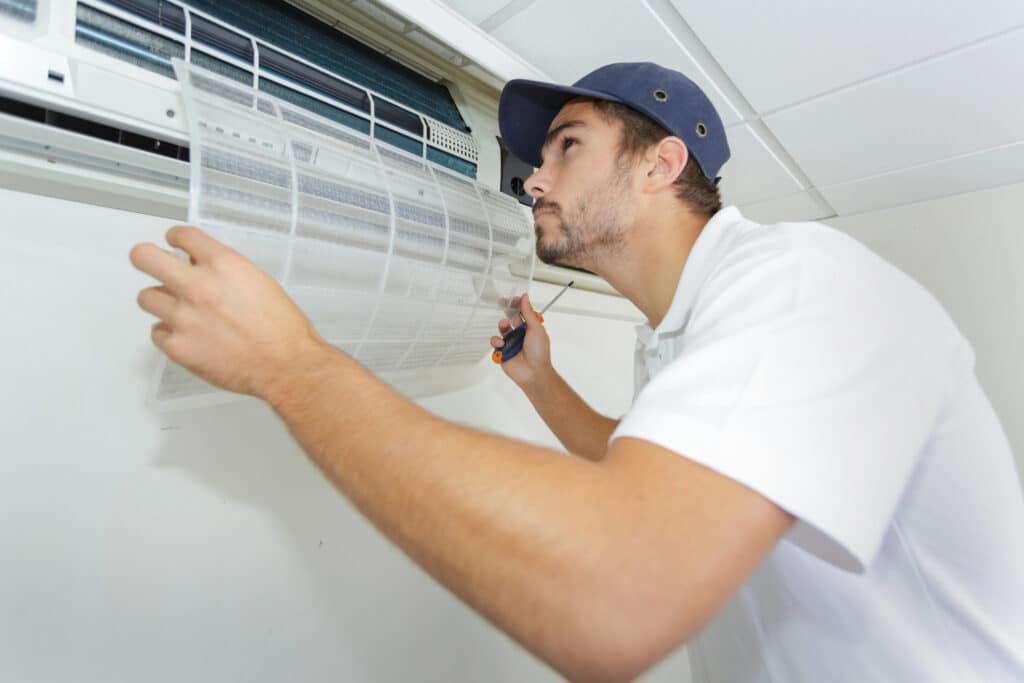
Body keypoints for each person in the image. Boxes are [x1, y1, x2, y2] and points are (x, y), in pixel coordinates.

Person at [129, 62, 1024, 682]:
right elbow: (646, 467)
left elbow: (618, 591)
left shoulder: (800, 281)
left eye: (567, 146)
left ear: (661, 164)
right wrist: (542, 383)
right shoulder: (678, 330)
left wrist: (291, 366)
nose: (532, 178)